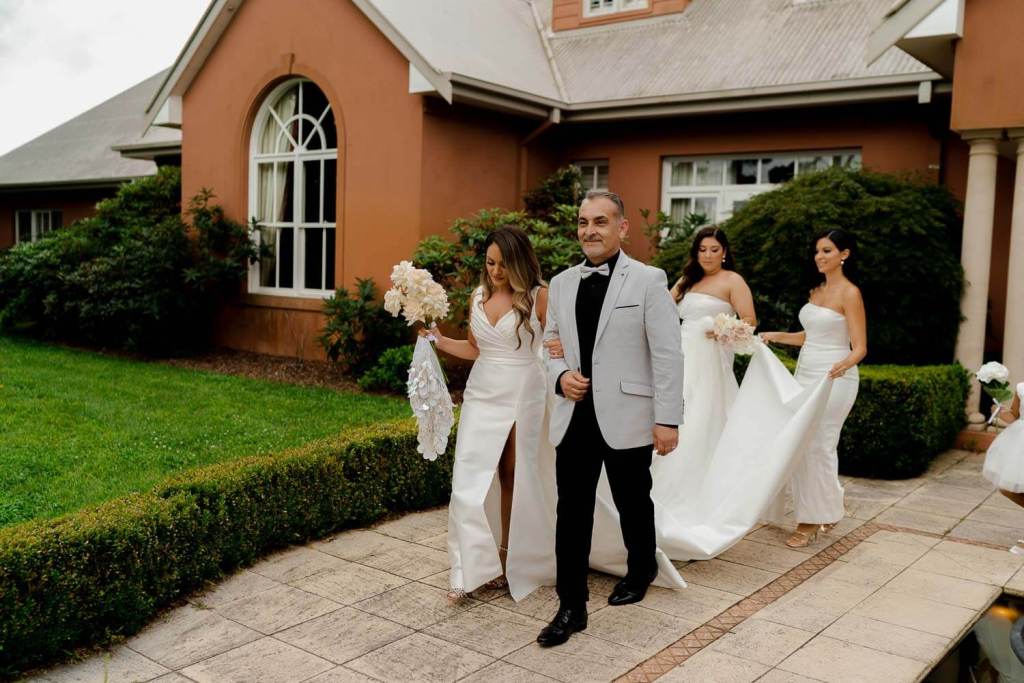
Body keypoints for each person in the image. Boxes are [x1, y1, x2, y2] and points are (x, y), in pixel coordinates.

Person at [538, 190, 684, 647]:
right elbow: (550, 343)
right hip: (576, 414)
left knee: (633, 501)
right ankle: (570, 606)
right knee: (572, 512)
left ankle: (641, 569)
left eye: (600, 221)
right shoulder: (560, 284)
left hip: (629, 413)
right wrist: (560, 375)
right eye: (583, 222)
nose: (589, 231)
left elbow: (668, 354)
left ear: (622, 228)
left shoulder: (647, 280)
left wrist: (667, 419)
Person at [425, 226, 549, 600]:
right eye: (490, 263)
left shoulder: (539, 297)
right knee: (468, 477)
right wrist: (438, 340)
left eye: (503, 264)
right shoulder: (478, 296)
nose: (495, 272)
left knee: (513, 475)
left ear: (519, 261)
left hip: (523, 392)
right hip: (482, 393)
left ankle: (509, 558)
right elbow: (477, 348)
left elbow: (560, 344)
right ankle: (466, 568)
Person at [761, 229, 866, 548]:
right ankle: (829, 505)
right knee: (802, 443)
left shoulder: (850, 293)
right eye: (817, 251)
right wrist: (778, 336)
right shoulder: (816, 289)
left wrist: (843, 365)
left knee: (817, 444)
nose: (820, 256)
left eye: (827, 250)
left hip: (836, 376)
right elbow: (811, 336)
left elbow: (860, 347)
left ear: (844, 254)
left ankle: (809, 521)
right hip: (805, 373)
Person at [982, 381, 1024, 553]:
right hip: (1021, 443)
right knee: (1008, 488)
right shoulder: (1021, 387)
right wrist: (1000, 411)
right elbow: (1015, 416)